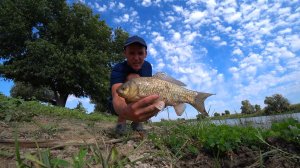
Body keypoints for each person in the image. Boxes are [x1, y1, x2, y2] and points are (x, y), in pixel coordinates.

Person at [110, 35, 161, 135]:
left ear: (146, 54)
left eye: (140, 53)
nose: (136, 58)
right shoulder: (118, 68)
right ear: (125, 53)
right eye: (132, 53)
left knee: (145, 90)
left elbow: (148, 89)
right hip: (115, 103)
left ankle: (137, 122)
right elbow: (117, 94)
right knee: (133, 78)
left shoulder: (147, 66)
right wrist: (125, 111)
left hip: (139, 95)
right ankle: (121, 122)